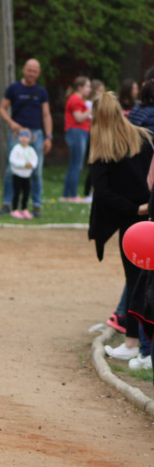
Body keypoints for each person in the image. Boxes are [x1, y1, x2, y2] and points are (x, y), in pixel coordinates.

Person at [87, 92, 153, 362]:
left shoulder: (103, 150)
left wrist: (133, 209)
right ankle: (141, 345)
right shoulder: (145, 138)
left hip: (133, 223)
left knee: (135, 281)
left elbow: (102, 193)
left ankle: (133, 342)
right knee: (146, 280)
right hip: (149, 215)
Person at [0, 59, 52, 217]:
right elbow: (2, 108)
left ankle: (36, 205)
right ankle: (8, 204)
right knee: (11, 169)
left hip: (36, 135)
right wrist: (11, 123)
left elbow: (46, 115)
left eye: (35, 71)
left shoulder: (41, 92)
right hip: (17, 134)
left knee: (36, 171)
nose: (32, 74)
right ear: (23, 70)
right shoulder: (14, 88)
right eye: (29, 70)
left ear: (38, 73)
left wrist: (48, 136)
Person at [61, 76, 92, 203]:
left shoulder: (77, 99)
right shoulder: (76, 99)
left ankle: (67, 195)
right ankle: (72, 195)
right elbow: (78, 118)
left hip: (78, 133)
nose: (89, 89)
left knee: (74, 164)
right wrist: (90, 109)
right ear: (80, 87)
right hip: (77, 133)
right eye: (87, 86)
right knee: (77, 165)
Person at [8, 129, 39, 219]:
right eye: (22, 136)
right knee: (17, 192)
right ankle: (14, 210)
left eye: (26, 137)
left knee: (26, 193)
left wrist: (32, 165)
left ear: (30, 139)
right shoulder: (16, 149)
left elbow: (35, 160)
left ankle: (24, 209)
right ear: (18, 138)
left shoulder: (31, 150)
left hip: (27, 175)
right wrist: (23, 165)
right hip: (17, 174)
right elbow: (12, 161)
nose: (24, 139)